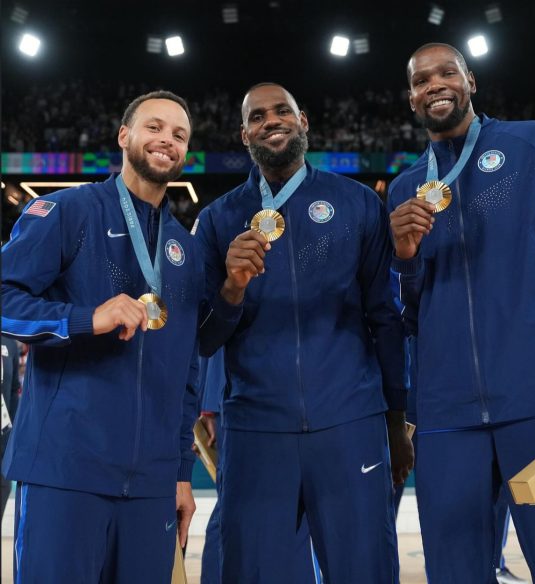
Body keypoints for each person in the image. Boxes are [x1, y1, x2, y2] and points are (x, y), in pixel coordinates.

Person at [1, 90, 239, 583]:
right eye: (154, 127)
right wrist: (86, 318)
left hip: (151, 486)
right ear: (124, 136)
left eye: (179, 135)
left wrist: (178, 472)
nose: (166, 140)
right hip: (66, 472)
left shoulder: (183, 249)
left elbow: (186, 371)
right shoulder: (68, 212)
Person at [388, 42, 535, 583]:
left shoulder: (533, 143)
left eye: (446, 73)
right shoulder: (408, 190)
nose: (434, 84)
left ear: (470, 82)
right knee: (455, 573)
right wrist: (406, 261)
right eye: (421, 80)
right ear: (411, 98)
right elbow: (409, 317)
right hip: (445, 418)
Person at [194, 82, 413, 584]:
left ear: (303, 121)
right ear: (244, 133)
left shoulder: (357, 204)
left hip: (350, 422)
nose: (271, 121)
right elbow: (204, 340)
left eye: (281, 111)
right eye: (257, 117)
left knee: (365, 571)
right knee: (249, 572)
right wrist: (231, 290)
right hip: (255, 429)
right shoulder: (218, 220)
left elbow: (386, 317)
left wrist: (397, 420)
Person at [197, 349, 322, 584]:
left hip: (263, 393)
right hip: (240, 395)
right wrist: (209, 405)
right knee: (231, 510)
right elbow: (217, 320)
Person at [1, 336, 21, 520]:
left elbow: (14, 388)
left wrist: (14, 431)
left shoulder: (8, 343)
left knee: (3, 487)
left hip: (3, 438)